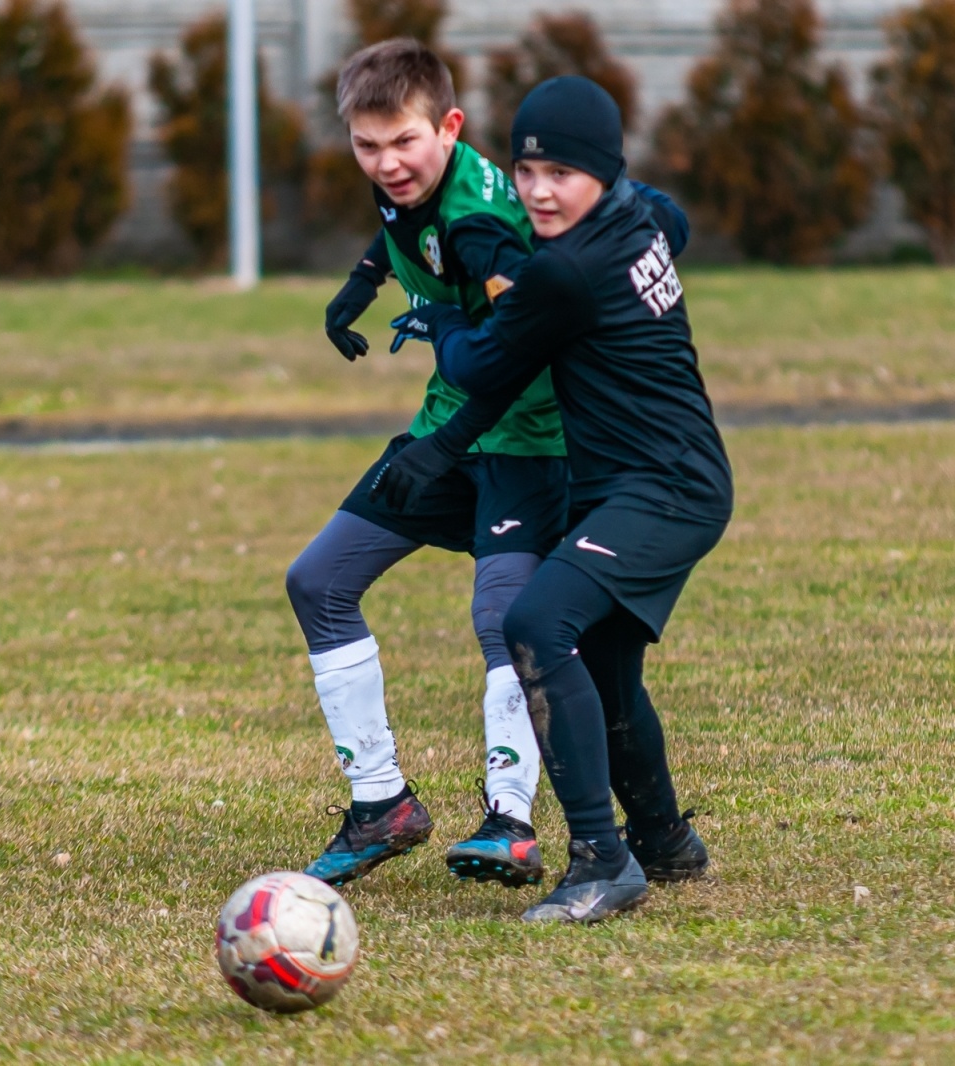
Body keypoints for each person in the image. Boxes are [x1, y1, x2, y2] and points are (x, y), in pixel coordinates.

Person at [372, 76, 731, 924]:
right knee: (604, 665)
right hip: (643, 481)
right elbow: (673, 221)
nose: (537, 191)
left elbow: (479, 365)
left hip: (666, 489)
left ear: (603, 172)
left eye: (561, 174)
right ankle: (665, 841)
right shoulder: (639, 213)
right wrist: (444, 449)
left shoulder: (566, 270)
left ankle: (603, 860)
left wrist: (440, 318)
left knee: (536, 622)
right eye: (527, 170)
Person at [288, 38, 561, 890]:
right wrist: (362, 281)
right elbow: (404, 224)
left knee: (504, 619)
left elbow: (518, 351)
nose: (387, 164)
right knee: (318, 582)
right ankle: (383, 806)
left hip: (531, 443)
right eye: (366, 146)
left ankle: (511, 821)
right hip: (449, 425)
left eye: (404, 142)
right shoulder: (407, 182)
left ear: (450, 127)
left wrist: (443, 448)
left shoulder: (485, 228)